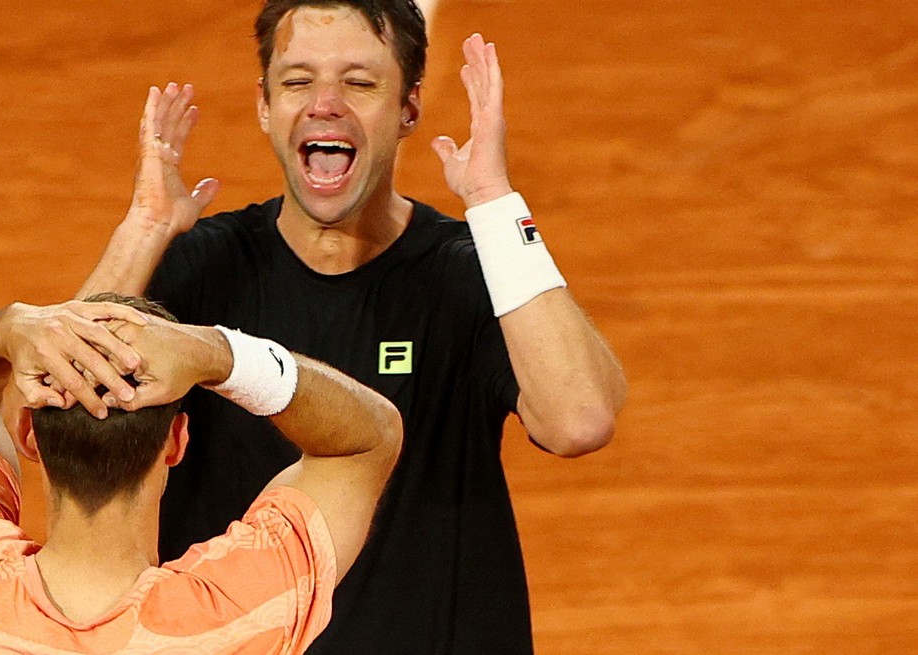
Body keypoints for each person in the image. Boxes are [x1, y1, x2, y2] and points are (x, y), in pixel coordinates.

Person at [73, 1, 628, 653]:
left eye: (360, 83)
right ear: (264, 106)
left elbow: (580, 419)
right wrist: (141, 233)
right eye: (298, 81)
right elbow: (61, 418)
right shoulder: (199, 269)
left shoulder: (469, 273)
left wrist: (495, 203)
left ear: (409, 109)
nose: (325, 104)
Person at [0, 294, 402, 654]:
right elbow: (365, 440)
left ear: (28, 432)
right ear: (176, 440)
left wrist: (2, 329)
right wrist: (218, 355)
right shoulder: (241, 610)